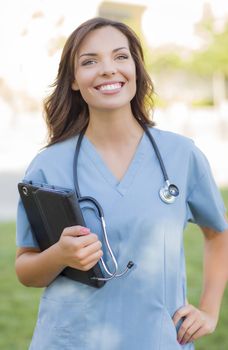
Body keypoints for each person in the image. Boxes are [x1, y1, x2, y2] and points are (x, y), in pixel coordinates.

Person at [15, 17, 228, 350]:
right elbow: (26, 269)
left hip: (157, 340)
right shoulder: (48, 166)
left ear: (136, 69)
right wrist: (59, 255)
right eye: (89, 61)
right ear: (74, 81)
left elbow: (218, 233)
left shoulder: (180, 156)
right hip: (70, 341)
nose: (107, 69)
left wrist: (210, 311)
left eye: (120, 56)